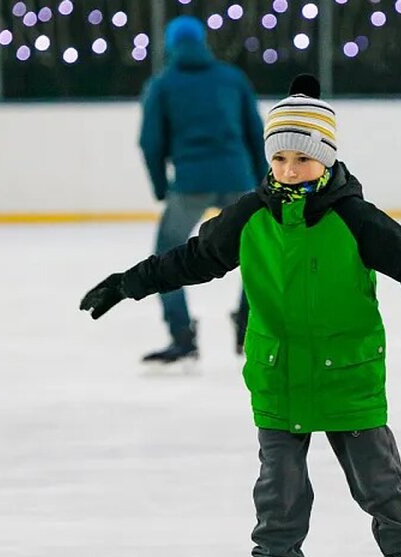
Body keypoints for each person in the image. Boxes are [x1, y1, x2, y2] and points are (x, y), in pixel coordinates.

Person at [81, 75, 401, 557]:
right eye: (280, 158)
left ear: (326, 158)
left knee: (380, 487)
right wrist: (129, 283)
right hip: (279, 375)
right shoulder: (249, 215)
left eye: (303, 159)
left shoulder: (356, 218)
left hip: (346, 375)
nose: (289, 170)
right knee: (279, 493)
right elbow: (192, 259)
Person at [138, 15, 266, 366]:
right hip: (237, 180)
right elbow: (255, 133)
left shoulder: (162, 85)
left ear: (169, 46)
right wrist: (263, 184)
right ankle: (248, 324)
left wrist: (161, 187)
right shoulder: (232, 78)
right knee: (258, 253)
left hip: (191, 184)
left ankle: (182, 338)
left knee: (166, 258)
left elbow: (150, 142)